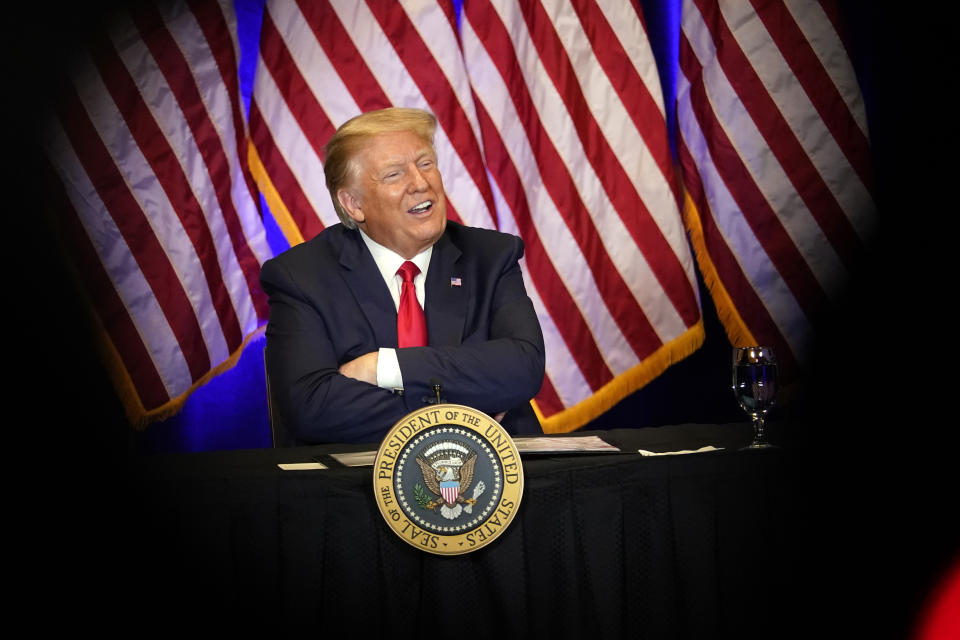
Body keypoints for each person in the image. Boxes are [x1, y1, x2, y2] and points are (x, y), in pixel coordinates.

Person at [260, 107, 545, 444]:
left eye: (425, 164)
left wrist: (384, 368)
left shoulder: (490, 257)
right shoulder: (301, 277)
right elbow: (312, 407)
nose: (421, 183)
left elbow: (522, 367)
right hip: (359, 487)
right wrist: (467, 410)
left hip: (497, 482)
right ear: (353, 204)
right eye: (395, 174)